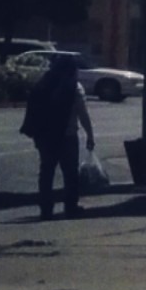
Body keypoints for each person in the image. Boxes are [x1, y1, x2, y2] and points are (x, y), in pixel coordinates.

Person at [20, 53, 94, 220]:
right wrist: (90, 135)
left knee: (46, 172)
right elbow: (83, 114)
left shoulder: (44, 83)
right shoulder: (75, 88)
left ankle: (46, 208)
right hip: (67, 136)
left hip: (44, 135)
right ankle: (70, 206)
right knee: (70, 173)